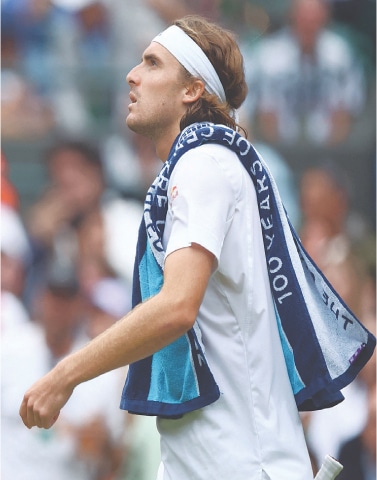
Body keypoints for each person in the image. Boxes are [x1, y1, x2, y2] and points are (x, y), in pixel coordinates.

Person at [20, 15, 375, 480]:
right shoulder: (207, 164)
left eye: (152, 63)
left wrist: (64, 374)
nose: (132, 74)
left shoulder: (203, 162)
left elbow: (175, 307)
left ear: (192, 90)